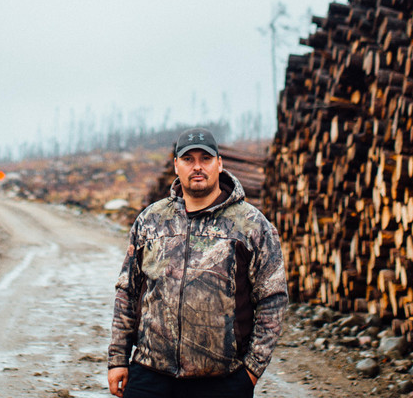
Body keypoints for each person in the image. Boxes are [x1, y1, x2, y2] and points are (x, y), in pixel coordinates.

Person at [107, 127, 287, 398]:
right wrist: (118, 359)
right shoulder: (151, 221)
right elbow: (128, 292)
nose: (197, 167)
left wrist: (252, 369)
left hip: (221, 380)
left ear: (220, 164)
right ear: (176, 165)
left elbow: (273, 298)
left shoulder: (251, 225)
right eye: (188, 159)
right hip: (150, 374)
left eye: (205, 158)